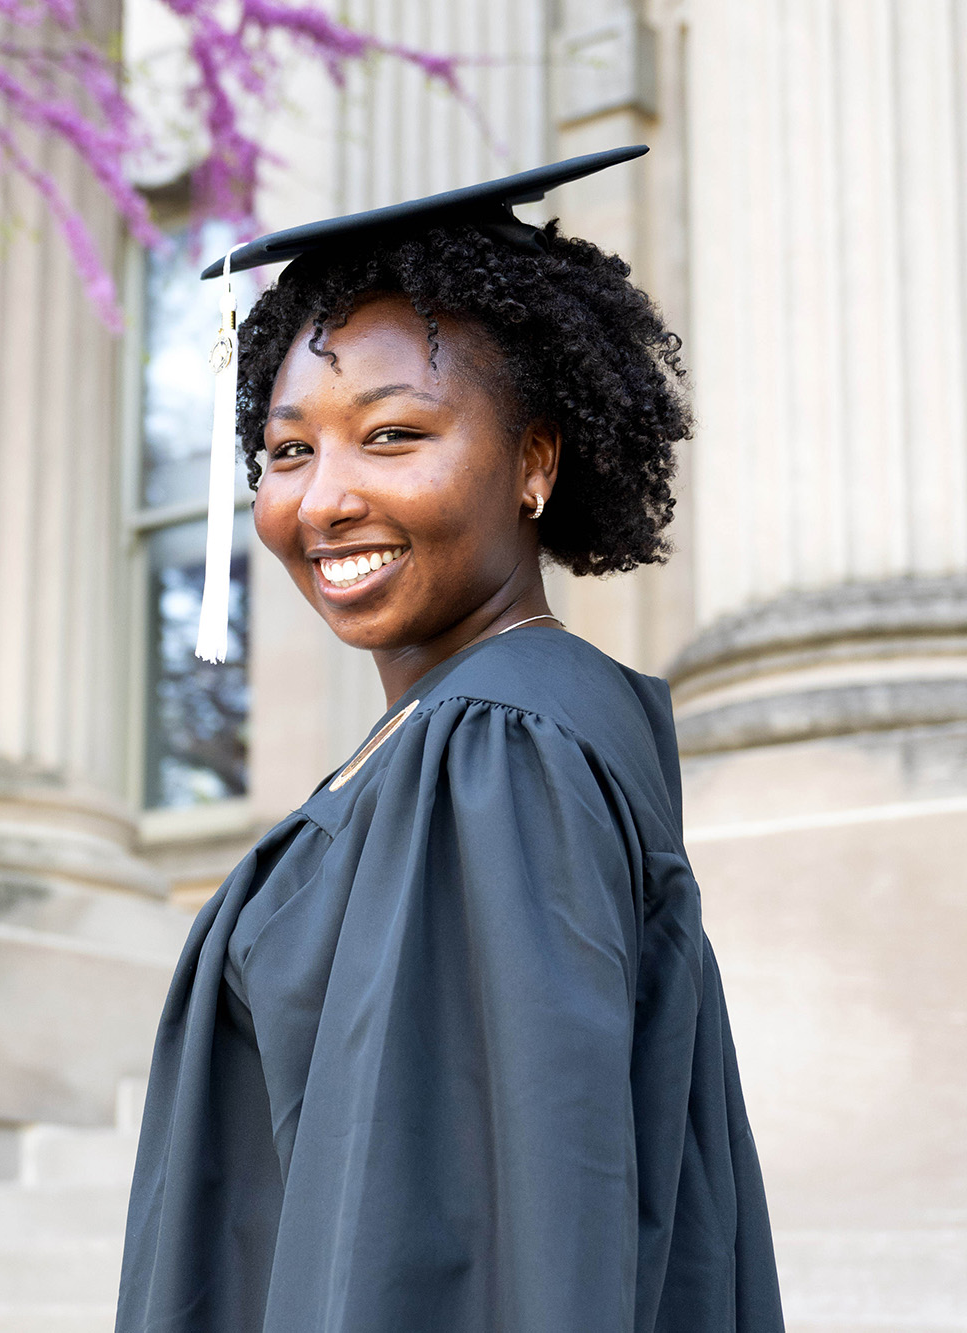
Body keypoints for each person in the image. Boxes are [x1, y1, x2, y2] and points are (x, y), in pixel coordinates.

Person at [116, 149, 784, 1333]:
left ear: (532, 460)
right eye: (287, 450)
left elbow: (506, 1235)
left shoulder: (498, 750)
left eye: (390, 435)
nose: (320, 500)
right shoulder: (448, 735)